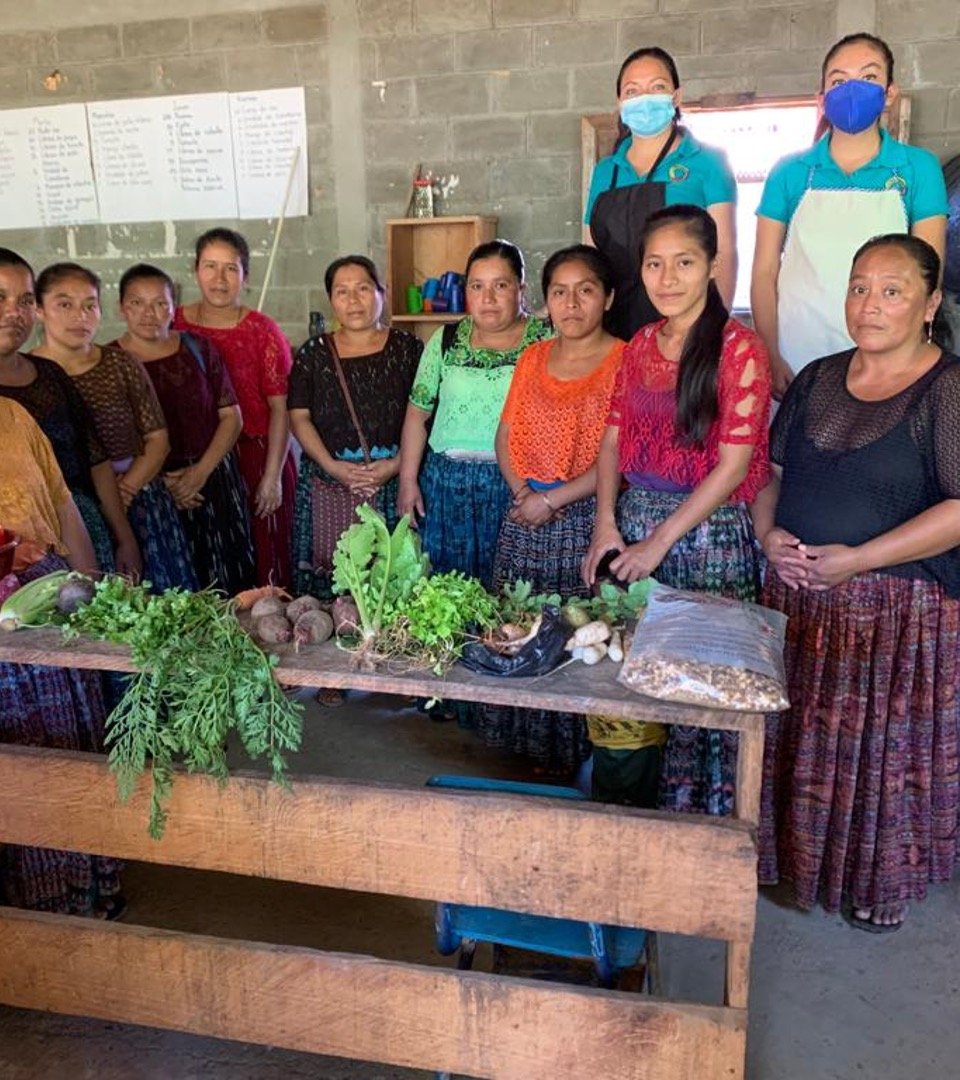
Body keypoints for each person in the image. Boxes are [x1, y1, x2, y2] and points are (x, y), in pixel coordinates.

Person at [754, 234, 960, 933]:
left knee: (877, 756)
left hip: (896, 617)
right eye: (859, 286)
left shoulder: (948, 388)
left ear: (930, 303)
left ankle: (876, 881)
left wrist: (860, 559)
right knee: (805, 742)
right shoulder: (816, 377)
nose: (870, 304)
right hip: (800, 599)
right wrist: (768, 535)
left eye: (893, 290)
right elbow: (773, 479)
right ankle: (797, 862)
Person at [582, 205, 771, 815]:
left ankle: (696, 832)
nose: (667, 278)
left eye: (684, 263)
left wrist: (659, 542)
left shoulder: (739, 348)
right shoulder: (639, 343)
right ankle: (626, 819)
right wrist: (606, 523)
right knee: (627, 684)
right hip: (633, 528)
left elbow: (734, 466)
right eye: (654, 264)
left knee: (700, 693)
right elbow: (612, 438)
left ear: (713, 265)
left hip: (706, 541)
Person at [477, 245, 623, 776]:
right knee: (517, 632)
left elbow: (620, 458)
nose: (571, 303)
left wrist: (551, 500)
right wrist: (522, 493)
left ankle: (569, 756)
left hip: (582, 518)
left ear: (607, 297)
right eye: (559, 292)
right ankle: (517, 752)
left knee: (573, 638)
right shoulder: (534, 357)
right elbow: (505, 433)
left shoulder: (624, 360)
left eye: (585, 290)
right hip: (523, 515)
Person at [751, 32, 949, 397]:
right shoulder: (790, 172)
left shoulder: (916, 168)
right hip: (798, 356)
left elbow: (927, 271)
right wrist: (770, 352)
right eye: (839, 80)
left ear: (890, 93)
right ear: (822, 98)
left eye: (869, 77)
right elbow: (764, 271)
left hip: (890, 358)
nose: (853, 89)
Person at [0, 397, 124, 917]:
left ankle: (83, 890)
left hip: (44, 603)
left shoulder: (12, 416)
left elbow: (61, 501)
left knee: (67, 746)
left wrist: (92, 591)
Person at [31, 262, 198, 593]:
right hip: (68, 514)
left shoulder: (120, 363)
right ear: (39, 310)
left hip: (143, 503)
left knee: (162, 602)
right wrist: (100, 505)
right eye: (65, 304)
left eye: (90, 305)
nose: (80, 316)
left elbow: (157, 439)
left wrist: (124, 492)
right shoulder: (33, 375)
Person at [398, 240, 552, 589]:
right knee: (447, 590)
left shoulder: (547, 341)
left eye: (501, 285)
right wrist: (408, 481)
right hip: (444, 484)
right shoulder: (447, 339)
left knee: (513, 593)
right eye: (476, 286)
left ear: (521, 289)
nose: (488, 298)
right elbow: (416, 413)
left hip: (517, 486)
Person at [113, 263, 255, 597]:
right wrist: (164, 485)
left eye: (160, 303)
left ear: (173, 307)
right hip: (147, 495)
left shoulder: (199, 349)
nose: (150, 313)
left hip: (213, 482)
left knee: (229, 590)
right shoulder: (110, 361)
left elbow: (231, 417)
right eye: (138, 303)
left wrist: (198, 474)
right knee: (170, 596)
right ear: (122, 308)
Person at [0, 248, 140, 578]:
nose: (13, 312)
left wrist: (125, 539)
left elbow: (96, 461)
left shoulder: (50, 375)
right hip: (13, 557)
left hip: (79, 534)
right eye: (0, 297)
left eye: (24, 300)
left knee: (87, 619)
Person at [288, 256, 422, 600]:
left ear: (383, 293)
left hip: (394, 482)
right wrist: (334, 467)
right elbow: (299, 417)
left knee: (392, 581)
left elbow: (427, 415)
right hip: (328, 484)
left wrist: (396, 466)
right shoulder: (313, 355)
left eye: (363, 288)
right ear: (330, 299)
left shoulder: (409, 350)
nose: (353, 300)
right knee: (332, 588)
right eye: (342, 291)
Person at [584, 46, 737, 341]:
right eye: (633, 91)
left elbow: (725, 252)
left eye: (657, 88)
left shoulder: (708, 162)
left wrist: (713, 330)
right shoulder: (606, 170)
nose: (644, 99)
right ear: (620, 102)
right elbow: (591, 255)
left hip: (686, 325)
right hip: (614, 328)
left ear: (675, 97)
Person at [174, 228, 296, 588]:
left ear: (245, 276)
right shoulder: (173, 325)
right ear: (195, 269)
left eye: (231, 268)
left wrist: (272, 477)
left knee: (264, 566)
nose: (219, 278)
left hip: (256, 457)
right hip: (192, 464)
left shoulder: (262, 331)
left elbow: (281, 407)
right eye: (210, 266)